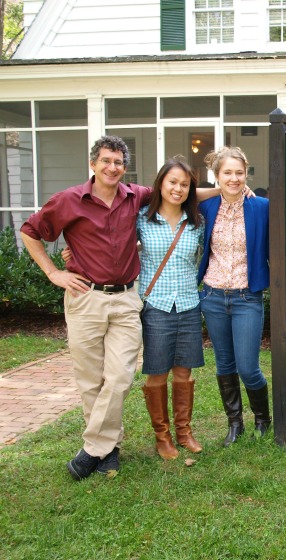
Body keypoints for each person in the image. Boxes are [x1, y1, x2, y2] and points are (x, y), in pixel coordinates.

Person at [20, 136, 150, 480]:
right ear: (93, 164)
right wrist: (53, 272)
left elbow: (175, 190)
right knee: (91, 380)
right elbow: (30, 231)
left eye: (119, 162)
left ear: (125, 167)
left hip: (125, 299)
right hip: (85, 298)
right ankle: (109, 450)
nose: (113, 167)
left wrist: (227, 190)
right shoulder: (69, 200)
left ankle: (92, 449)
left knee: (120, 377)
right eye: (106, 160)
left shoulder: (135, 196)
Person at [198, 146, 271, 446]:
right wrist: (218, 191)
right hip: (212, 296)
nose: (234, 178)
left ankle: (263, 419)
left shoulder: (261, 206)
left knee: (248, 367)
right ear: (217, 175)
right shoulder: (207, 206)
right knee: (224, 365)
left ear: (247, 174)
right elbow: (179, 194)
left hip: (246, 298)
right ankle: (235, 423)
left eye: (239, 173)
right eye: (227, 173)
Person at [137, 158, 206, 460]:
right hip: (156, 305)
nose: (178, 188)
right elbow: (113, 244)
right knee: (157, 373)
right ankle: (162, 436)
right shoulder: (142, 219)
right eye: (172, 182)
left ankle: (184, 432)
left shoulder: (196, 222)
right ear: (160, 184)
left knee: (184, 371)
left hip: (189, 304)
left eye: (184, 184)